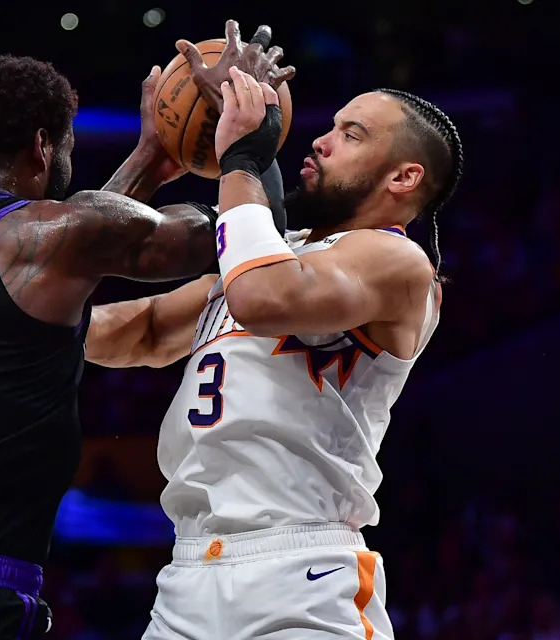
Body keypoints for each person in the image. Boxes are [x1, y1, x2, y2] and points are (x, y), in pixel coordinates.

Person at [0, 23, 295, 639]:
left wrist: (147, 162)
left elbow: (71, 247)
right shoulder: (49, 236)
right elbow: (234, 237)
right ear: (42, 145)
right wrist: (247, 131)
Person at [142, 62, 464, 639]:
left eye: (352, 134)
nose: (320, 138)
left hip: (301, 575)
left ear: (404, 177)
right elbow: (138, 330)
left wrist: (241, 159)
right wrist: (147, 157)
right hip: (185, 577)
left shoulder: (399, 264)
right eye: (333, 126)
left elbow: (263, 295)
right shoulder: (268, 251)